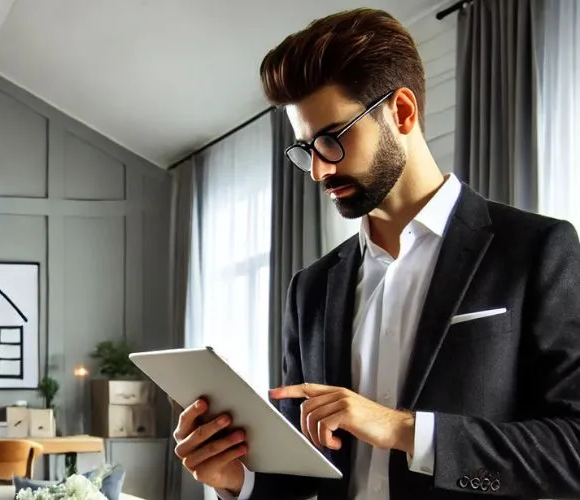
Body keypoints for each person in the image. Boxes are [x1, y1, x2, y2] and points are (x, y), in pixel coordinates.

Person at [172, 6, 580, 500]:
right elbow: (305, 470)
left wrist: (403, 429)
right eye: (306, 150)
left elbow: (571, 451)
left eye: (332, 140)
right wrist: (237, 479)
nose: (319, 172)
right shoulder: (311, 288)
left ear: (402, 111)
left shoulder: (537, 250)